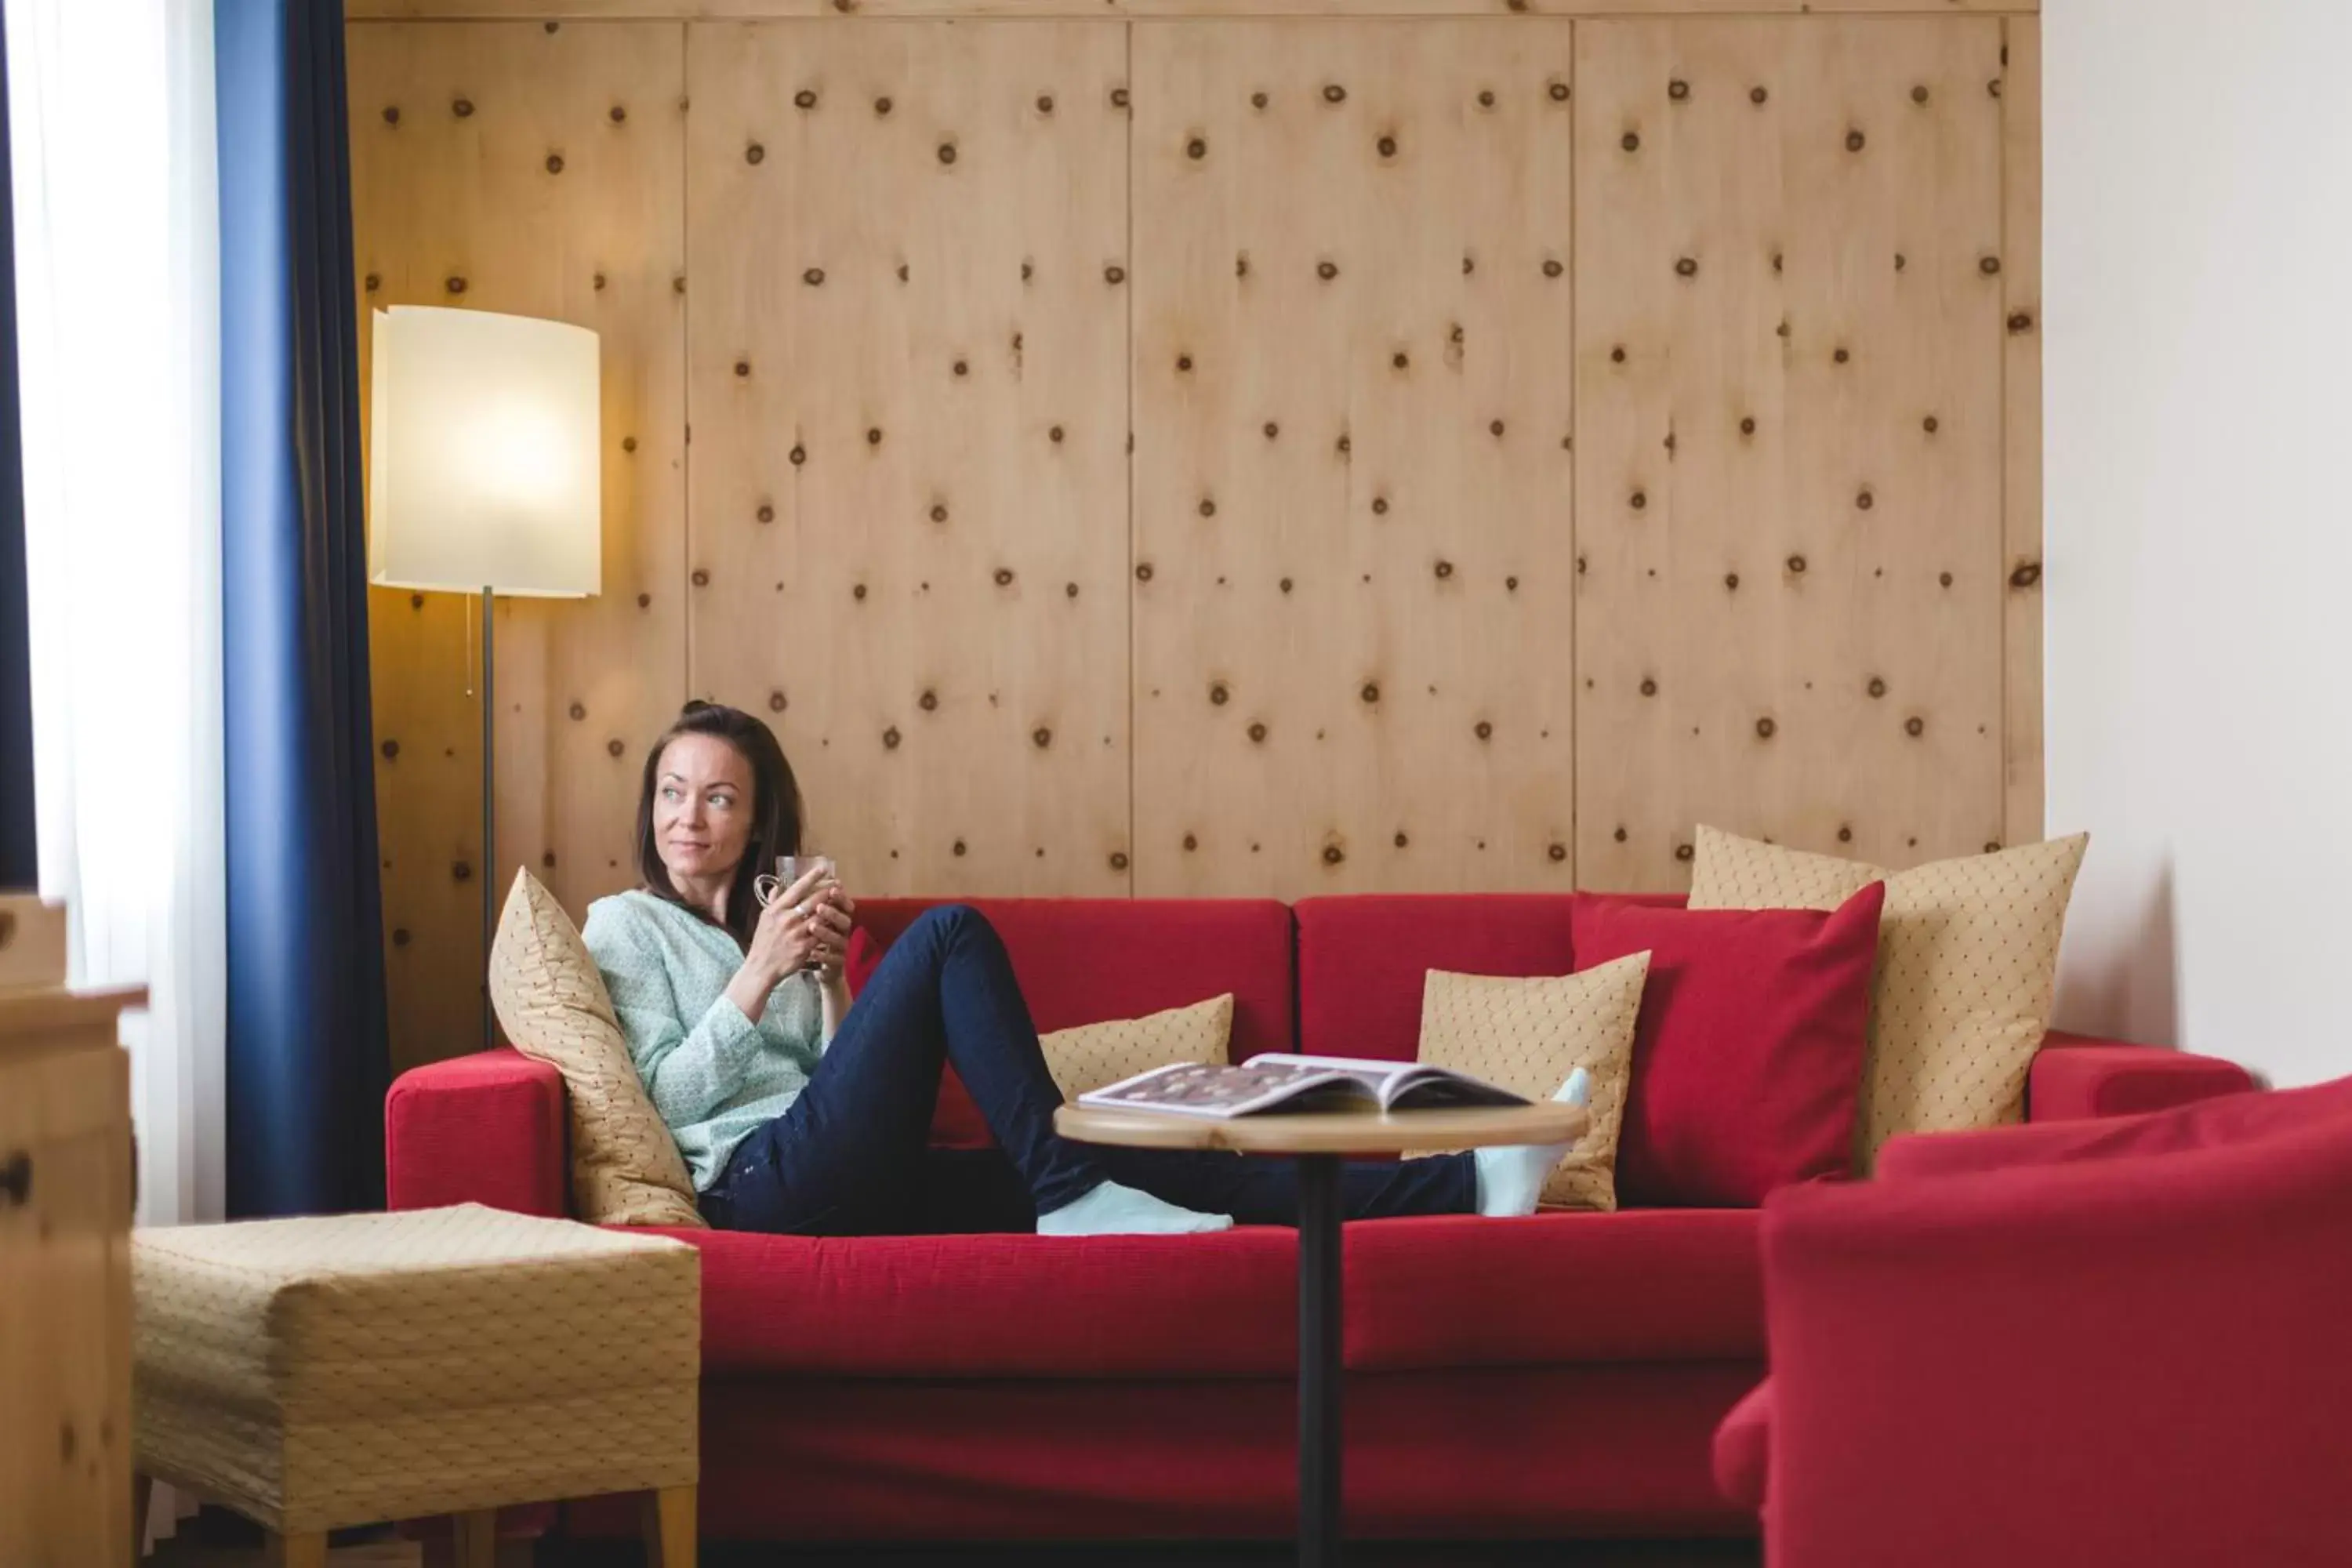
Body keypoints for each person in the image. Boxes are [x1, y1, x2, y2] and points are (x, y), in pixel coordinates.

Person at [582, 701, 1591, 1238]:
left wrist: (827, 979)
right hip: (753, 1187)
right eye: (672, 791)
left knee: (1175, 1166)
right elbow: (665, 1097)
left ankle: (1469, 1181)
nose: (688, 816)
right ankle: (1066, 1188)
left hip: (854, 1177)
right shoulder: (624, 925)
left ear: (758, 818)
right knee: (948, 933)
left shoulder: (774, 917)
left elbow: (841, 1088)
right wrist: (757, 976)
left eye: (718, 797)